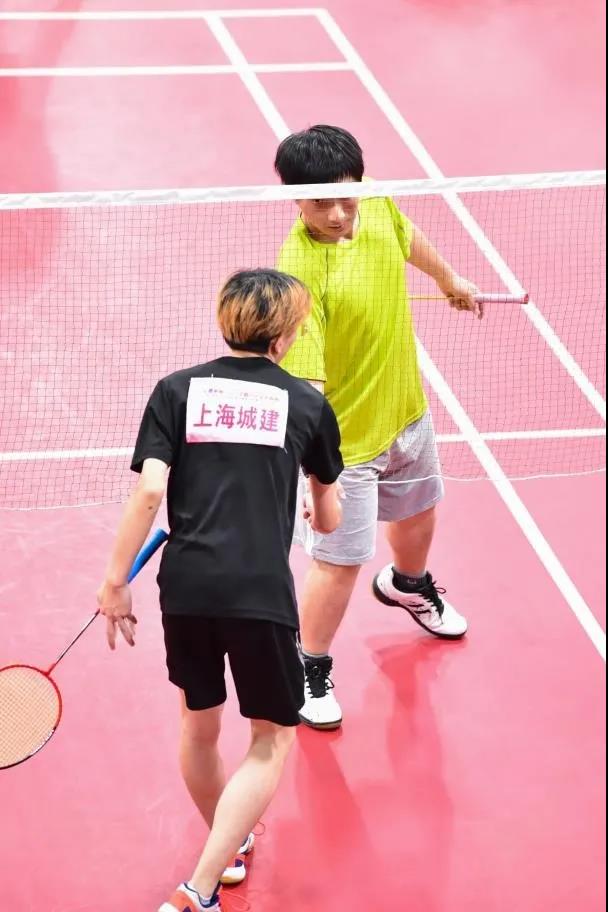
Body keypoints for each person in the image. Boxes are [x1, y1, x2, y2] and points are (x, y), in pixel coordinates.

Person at [96, 269, 343, 912]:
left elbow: (150, 491)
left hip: (186, 588)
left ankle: (226, 844)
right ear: (283, 337)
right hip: (259, 592)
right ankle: (199, 888)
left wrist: (115, 581)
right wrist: (316, 505)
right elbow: (329, 517)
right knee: (272, 737)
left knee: (198, 724)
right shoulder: (307, 404)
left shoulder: (176, 391)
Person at [275, 125, 481, 731]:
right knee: (339, 563)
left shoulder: (377, 203)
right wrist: (320, 476)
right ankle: (309, 666)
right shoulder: (298, 273)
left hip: (406, 412)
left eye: (347, 197)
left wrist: (448, 279)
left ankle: (407, 585)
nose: (338, 215)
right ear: (295, 198)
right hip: (346, 446)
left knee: (419, 514)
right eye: (321, 203)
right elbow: (308, 390)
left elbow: (404, 234)